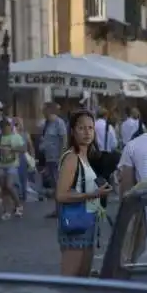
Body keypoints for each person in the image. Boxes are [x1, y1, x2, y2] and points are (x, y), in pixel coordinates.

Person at [56, 110, 113, 277]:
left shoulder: (85, 156)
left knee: (82, 278)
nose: (87, 132)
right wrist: (94, 194)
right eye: (82, 128)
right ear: (73, 131)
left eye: (90, 128)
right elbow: (61, 195)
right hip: (75, 224)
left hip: (88, 221)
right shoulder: (71, 157)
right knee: (71, 279)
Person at [37, 103, 68, 218]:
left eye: (44, 110)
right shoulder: (46, 124)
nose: (43, 113)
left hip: (57, 158)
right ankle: (58, 209)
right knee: (55, 185)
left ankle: (62, 210)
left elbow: (64, 140)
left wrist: (62, 156)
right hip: (49, 158)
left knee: (59, 184)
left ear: (50, 110)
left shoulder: (59, 123)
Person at [0, 119, 25, 220]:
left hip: (12, 164)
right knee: (3, 187)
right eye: (3, 127)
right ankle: (6, 210)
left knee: (9, 185)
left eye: (7, 126)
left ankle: (18, 205)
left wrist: (11, 149)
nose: (5, 129)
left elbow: (23, 149)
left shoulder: (16, 137)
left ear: (10, 126)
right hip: (0, 164)